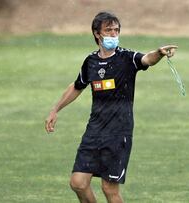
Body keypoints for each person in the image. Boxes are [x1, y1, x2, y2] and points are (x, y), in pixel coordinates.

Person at [44, 11, 177, 203]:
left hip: (118, 132)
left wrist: (159, 53)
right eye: (109, 30)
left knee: (109, 189)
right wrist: (55, 109)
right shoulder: (90, 61)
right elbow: (77, 86)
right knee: (78, 183)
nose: (114, 34)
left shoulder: (127, 58)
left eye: (116, 30)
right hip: (94, 131)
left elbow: (147, 59)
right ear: (97, 34)